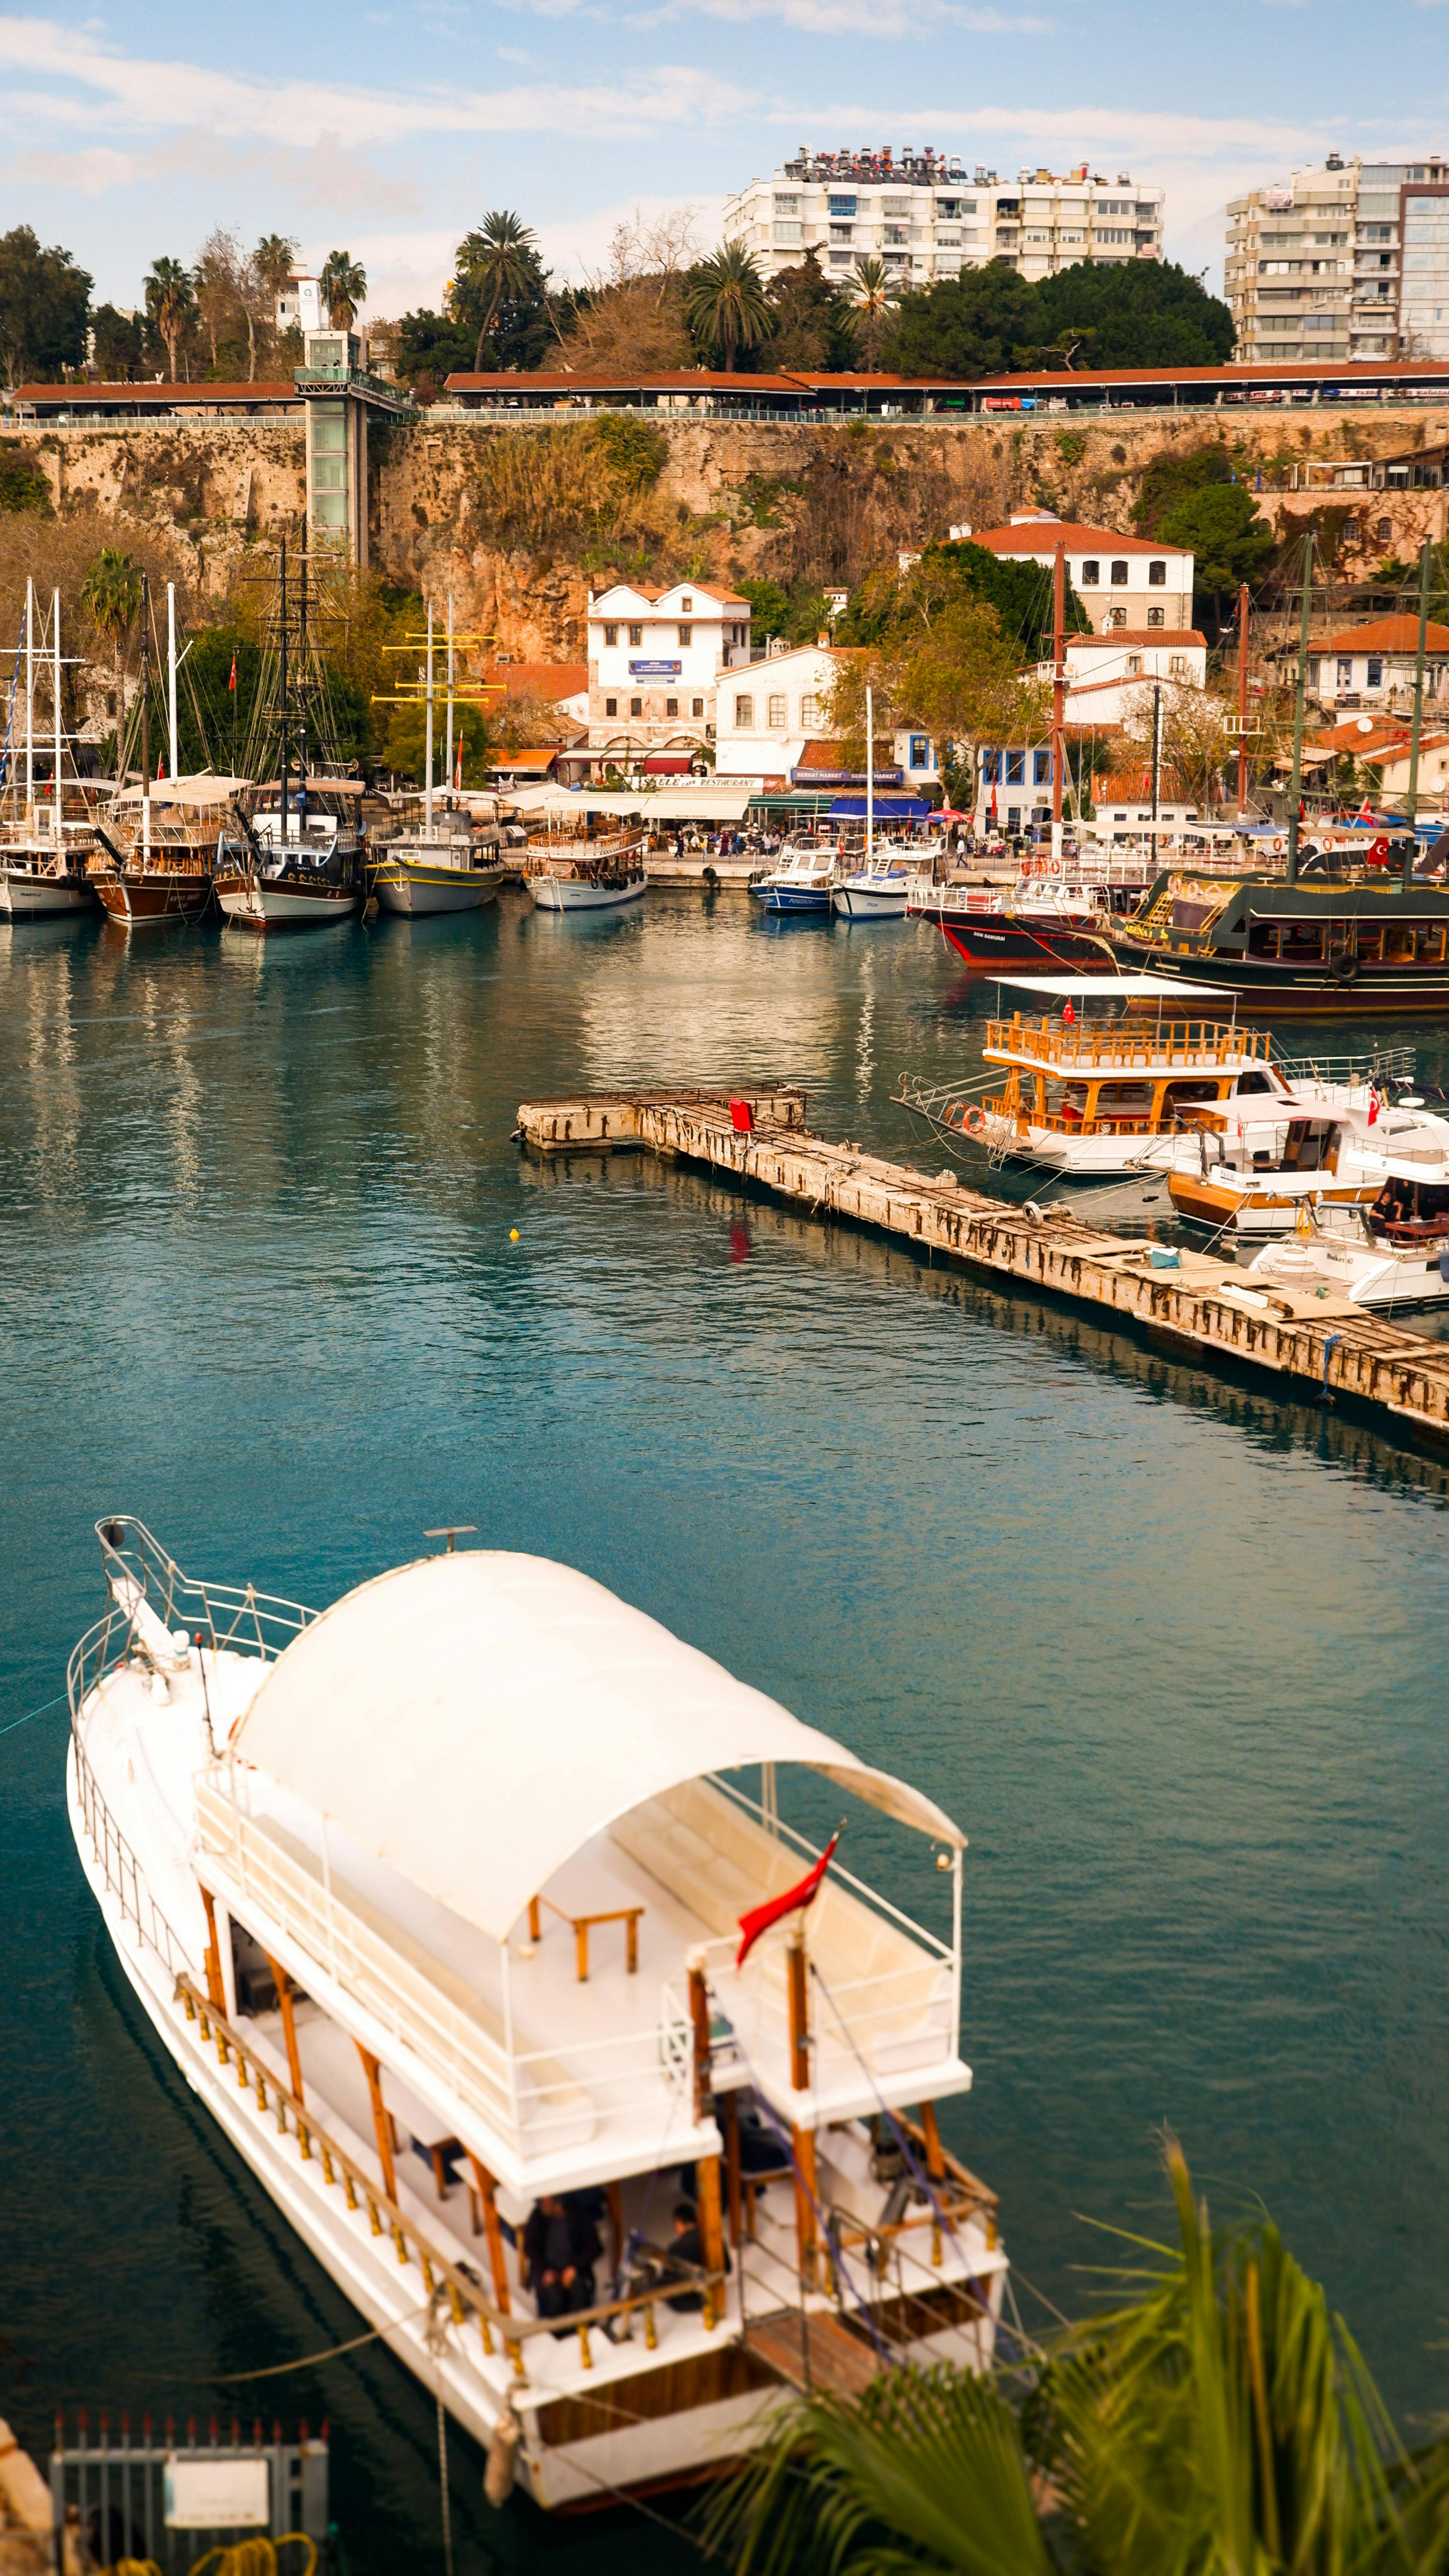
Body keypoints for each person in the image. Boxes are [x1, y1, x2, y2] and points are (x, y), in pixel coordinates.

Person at [522, 2192, 601, 2321]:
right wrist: (545, 2271)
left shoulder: (578, 2216)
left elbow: (595, 2247)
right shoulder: (538, 2217)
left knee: (580, 2292)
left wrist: (575, 2268)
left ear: (559, 2205)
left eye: (547, 2203)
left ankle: (582, 2330)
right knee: (554, 2297)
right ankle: (558, 2336)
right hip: (547, 2270)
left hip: (574, 2270)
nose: (543, 2205)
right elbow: (529, 2248)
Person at [663, 2199, 731, 2312]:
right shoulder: (715, 2239)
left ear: (679, 2224)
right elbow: (728, 2268)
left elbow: (669, 2282)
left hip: (692, 2300)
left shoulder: (675, 2249)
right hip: (717, 2291)